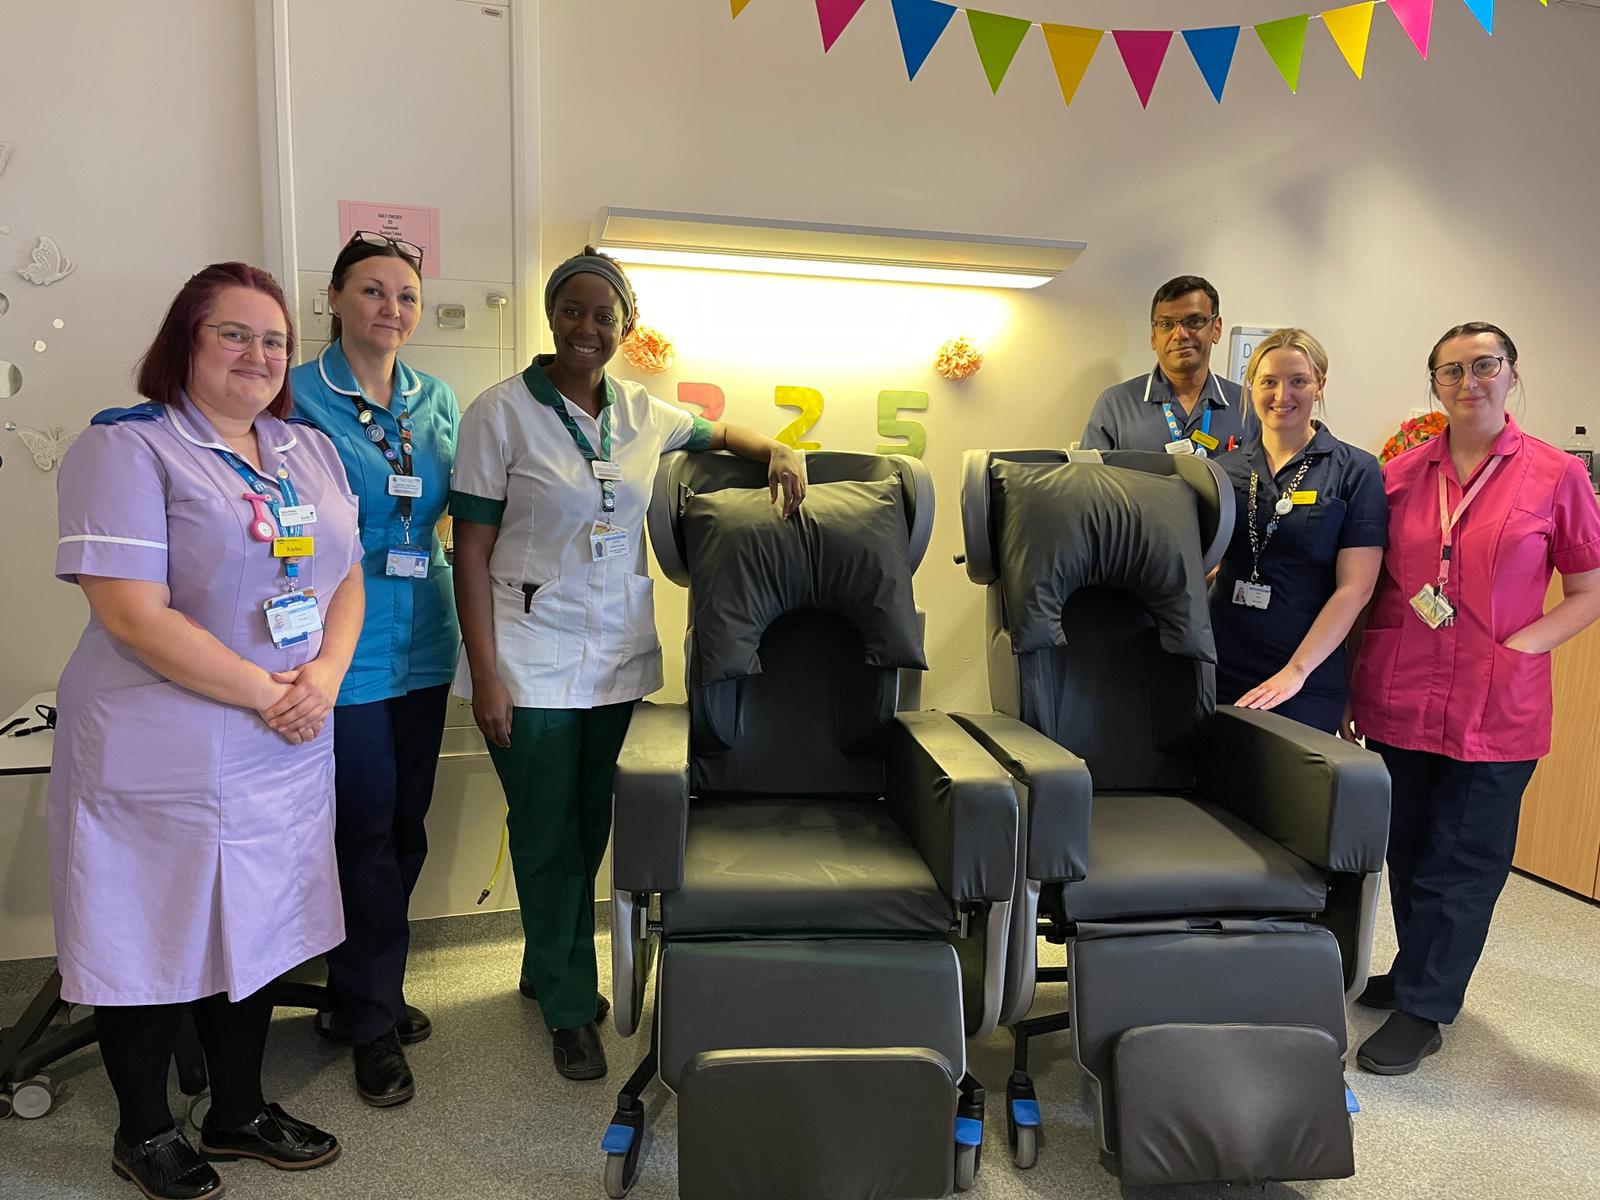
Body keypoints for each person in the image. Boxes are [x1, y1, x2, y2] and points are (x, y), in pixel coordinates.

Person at [449, 247, 806, 1081]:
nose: (587, 327)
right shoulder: (499, 413)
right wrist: (487, 674)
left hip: (612, 655)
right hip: (527, 658)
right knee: (546, 834)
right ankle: (572, 1007)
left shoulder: (644, 412)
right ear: (551, 316)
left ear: (627, 327)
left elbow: (723, 433)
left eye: (604, 315)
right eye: (571, 310)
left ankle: (546, 965)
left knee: (588, 826)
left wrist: (782, 451)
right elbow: (470, 552)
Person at [51, 263, 363, 1197]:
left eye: (274, 340)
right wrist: (268, 692)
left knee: (258, 925)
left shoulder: (308, 449)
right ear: (184, 341)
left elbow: (347, 576)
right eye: (233, 334)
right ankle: (143, 1131)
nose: (258, 355)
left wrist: (325, 677)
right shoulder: (127, 448)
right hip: (162, 743)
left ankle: (237, 1111)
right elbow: (132, 614)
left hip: (284, 741)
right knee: (148, 932)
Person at [1346, 322, 1600, 1075]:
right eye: (1451, 370)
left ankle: (1425, 1008)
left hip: (1496, 706)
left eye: (1485, 365)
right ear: (1434, 384)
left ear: (1511, 373)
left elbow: (1587, 591)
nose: (1469, 382)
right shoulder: (1396, 476)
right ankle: (1416, 969)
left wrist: (1522, 649)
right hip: (1401, 694)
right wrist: (1353, 679)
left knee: (1465, 860)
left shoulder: (1557, 475)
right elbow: (1371, 587)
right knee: (1408, 849)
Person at [288, 231, 460, 1107]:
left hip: (426, 634)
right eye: (371, 290)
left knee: (405, 825)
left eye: (405, 295)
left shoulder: (437, 400)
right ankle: (368, 1017)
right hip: (340, 644)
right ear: (334, 298)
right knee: (361, 830)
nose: (391, 308)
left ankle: (366, 988)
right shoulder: (295, 396)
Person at [1209, 328, 1386, 731]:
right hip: (1221, 667)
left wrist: (1297, 671)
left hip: (1305, 678)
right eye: (1269, 381)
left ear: (1320, 384)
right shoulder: (1222, 470)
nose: (1281, 395)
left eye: (1298, 381)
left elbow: (1356, 589)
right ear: (1251, 385)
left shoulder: (1355, 471)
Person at [1078, 275, 1251, 454]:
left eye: (1194, 322)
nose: (1180, 334)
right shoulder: (1115, 406)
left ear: (1216, 329)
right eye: (1167, 324)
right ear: (1153, 336)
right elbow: (1087, 472)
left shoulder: (1248, 407)